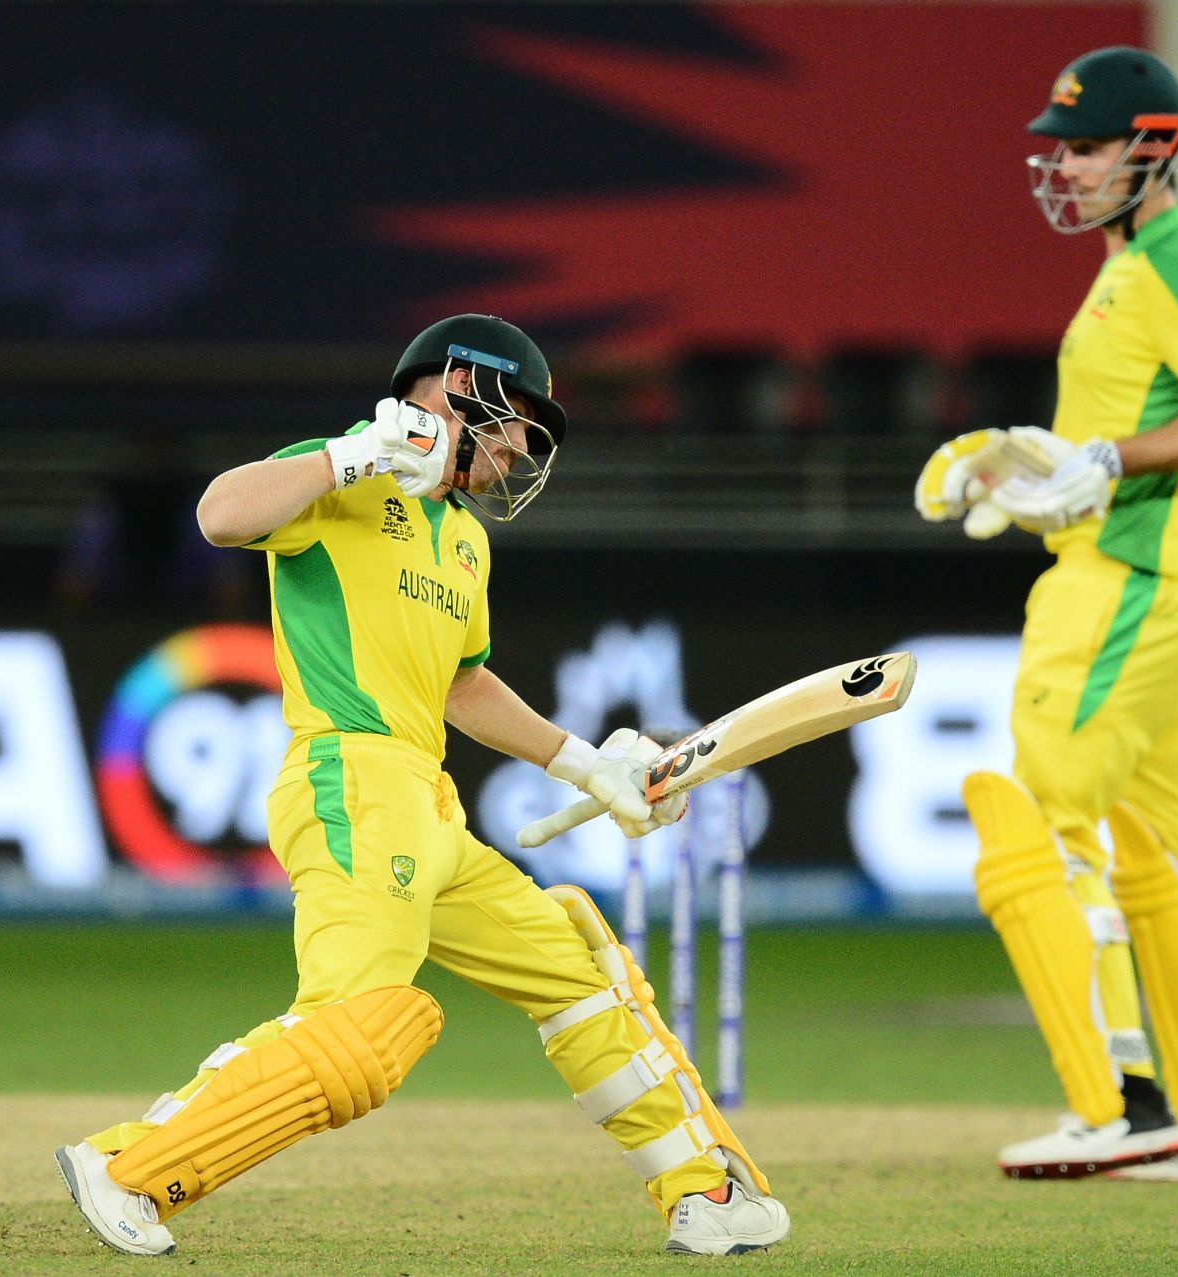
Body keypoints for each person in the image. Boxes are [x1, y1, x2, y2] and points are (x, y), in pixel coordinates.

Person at [54, 313, 790, 1256]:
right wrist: (352, 457)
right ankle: (131, 1169)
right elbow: (219, 515)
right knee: (361, 1023)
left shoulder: (466, 541)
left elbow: (462, 683)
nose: (524, 446)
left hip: (430, 799)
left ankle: (706, 1190)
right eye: (521, 419)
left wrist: (586, 764)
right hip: (351, 775)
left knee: (579, 966)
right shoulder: (341, 473)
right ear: (463, 387)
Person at [914, 46, 1178, 1181]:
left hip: (1127, 587)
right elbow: (1116, 443)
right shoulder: (1137, 265)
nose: (1061, 168)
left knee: (1049, 825)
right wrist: (1028, 471)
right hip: (1150, 578)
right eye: (1057, 148)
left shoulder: (1177, 257)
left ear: (1152, 147)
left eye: (1082, 147)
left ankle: (1120, 1101)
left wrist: (1104, 462)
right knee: (1177, 850)